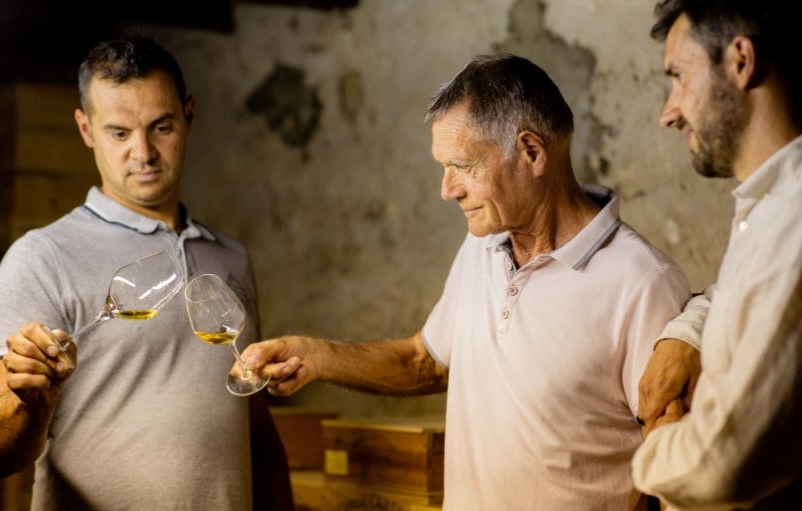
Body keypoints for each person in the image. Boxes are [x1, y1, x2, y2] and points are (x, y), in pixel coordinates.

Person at [243, 53, 692, 510]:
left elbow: (673, 476)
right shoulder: (482, 247)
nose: (447, 189)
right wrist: (315, 357)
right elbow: (427, 362)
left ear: (532, 152)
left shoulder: (643, 283)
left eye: (463, 165)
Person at [0, 35, 292, 510]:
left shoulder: (230, 257)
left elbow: (255, 428)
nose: (143, 152)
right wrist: (28, 403)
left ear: (189, 116)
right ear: (86, 129)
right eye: (119, 132)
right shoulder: (40, 256)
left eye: (161, 127)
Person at [630, 1, 802, 509]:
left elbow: (721, 465)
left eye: (679, 77)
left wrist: (656, 445)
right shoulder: (768, 208)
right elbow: (741, 288)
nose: (669, 111)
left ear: (741, 61)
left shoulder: (792, 222)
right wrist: (687, 333)